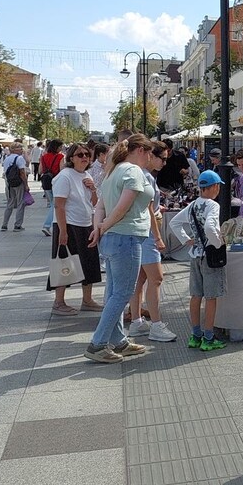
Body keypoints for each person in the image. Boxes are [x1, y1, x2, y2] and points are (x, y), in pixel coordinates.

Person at [85, 135, 157, 364]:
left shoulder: (113, 171)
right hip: (126, 237)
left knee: (113, 292)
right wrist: (103, 226)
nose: (150, 158)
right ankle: (98, 344)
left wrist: (99, 227)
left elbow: (100, 206)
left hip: (113, 238)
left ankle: (118, 341)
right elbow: (123, 207)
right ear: (141, 150)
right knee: (123, 293)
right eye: (149, 153)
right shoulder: (133, 171)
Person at [169, 170, 228, 352]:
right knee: (211, 298)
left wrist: (186, 239)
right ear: (214, 187)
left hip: (194, 255)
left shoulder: (193, 205)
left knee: (196, 296)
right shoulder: (213, 205)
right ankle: (208, 338)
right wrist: (218, 242)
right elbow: (210, 227)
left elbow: (174, 222)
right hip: (210, 257)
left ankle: (195, 335)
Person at [127, 143, 176, 343]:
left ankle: (137, 321)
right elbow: (147, 209)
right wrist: (157, 237)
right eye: (162, 158)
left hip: (140, 231)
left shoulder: (140, 174)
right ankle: (156, 324)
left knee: (139, 280)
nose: (164, 163)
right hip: (147, 231)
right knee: (156, 279)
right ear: (149, 155)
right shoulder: (145, 175)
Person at [48, 143, 102, 316]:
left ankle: (87, 300)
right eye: (80, 155)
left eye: (87, 154)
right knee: (65, 262)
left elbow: (94, 203)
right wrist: (63, 231)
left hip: (85, 223)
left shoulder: (86, 175)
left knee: (89, 262)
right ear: (71, 158)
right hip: (69, 224)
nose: (84, 157)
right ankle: (59, 302)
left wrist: (93, 189)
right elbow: (59, 205)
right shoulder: (65, 176)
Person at [0, 141, 30, 232]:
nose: (21, 150)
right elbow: (22, 172)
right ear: (14, 150)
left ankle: (4, 224)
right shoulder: (19, 158)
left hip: (9, 183)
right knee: (21, 203)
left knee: (10, 203)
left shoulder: (7, 158)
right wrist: (26, 184)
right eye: (20, 148)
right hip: (18, 182)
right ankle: (17, 225)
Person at [40, 139, 64, 235]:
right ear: (56, 147)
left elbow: (40, 171)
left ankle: (53, 225)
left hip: (46, 182)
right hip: (56, 182)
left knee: (52, 204)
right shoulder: (60, 156)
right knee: (55, 205)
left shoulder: (44, 157)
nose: (61, 148)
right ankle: (47, 225)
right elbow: (62, 170)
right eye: (60, 147)